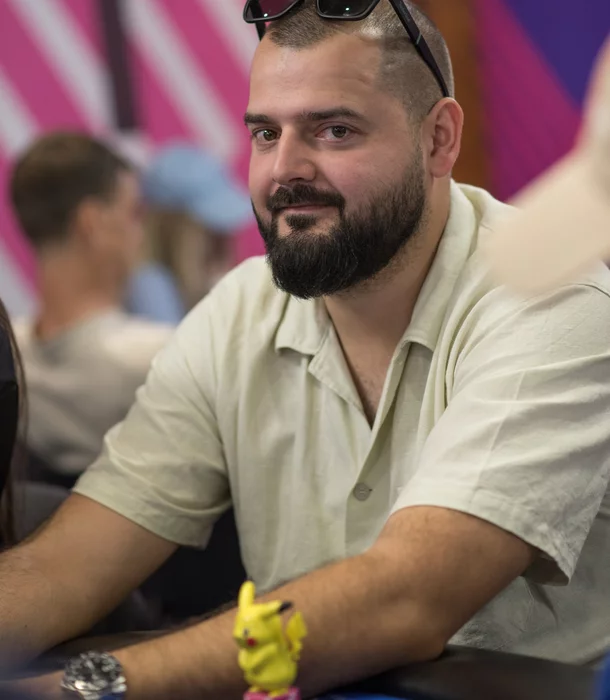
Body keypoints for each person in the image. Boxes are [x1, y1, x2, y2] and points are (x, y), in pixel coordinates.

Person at [3, 2, 610, 698]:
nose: (283, 171)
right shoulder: (237, 313)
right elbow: (67, 566)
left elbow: (408, 598)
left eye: (335, 130)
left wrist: (88, 687)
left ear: (439, 140)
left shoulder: (551, 299)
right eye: (266, 133)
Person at [9, 132, 173, 484]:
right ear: (92, 223)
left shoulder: (12, 354)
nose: (139, 235)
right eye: (132, 214)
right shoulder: (158, 358)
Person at [124, 143, 253, 324]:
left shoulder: (181, 287)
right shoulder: (150, 287)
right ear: (174, 229)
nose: (222, 245)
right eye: (210, 230)